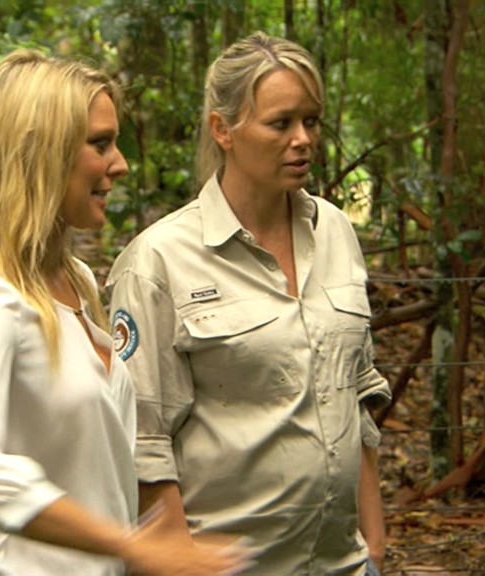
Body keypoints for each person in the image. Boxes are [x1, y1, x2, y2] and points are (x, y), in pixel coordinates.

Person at [0, 49, 248, 576]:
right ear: (38, 154)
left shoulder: (73, 279)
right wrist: (132, 546)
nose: (120, 164)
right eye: (100, 144)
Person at [106, 32, 392, 575]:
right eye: (281, 123)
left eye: (311, 121)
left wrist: (373, 542)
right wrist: (181, 561)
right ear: (224, 129)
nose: (303, 139)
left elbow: (356, 391)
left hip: (345, 564)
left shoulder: (334, 230)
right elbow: (143, 439)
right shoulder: (159, 260)